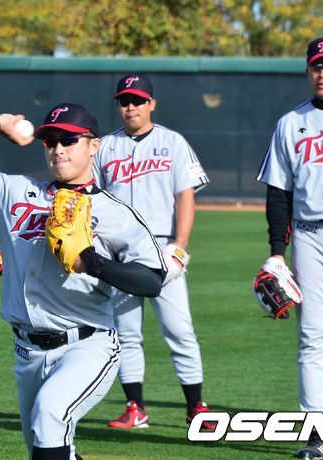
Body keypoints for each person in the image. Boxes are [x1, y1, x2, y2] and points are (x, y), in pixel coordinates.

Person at [0, 102, 166, 459]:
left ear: (94, 145)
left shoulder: (114, 213)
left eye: (69, 140)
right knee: (44, 447)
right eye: (50, 141)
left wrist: (92, 262)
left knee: (49, 415)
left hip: (86, 344)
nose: (58, 149)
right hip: (26, 351)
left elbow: (152, 280)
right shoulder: (14, 191)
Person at [257, 36, 323, 459]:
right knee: (312, 338)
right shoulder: (290, 124)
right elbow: (278, 193)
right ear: (308, 71)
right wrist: (276, 251)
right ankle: (318, 434)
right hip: (309, 238)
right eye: (317, 66)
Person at [93, 74, 214, 430]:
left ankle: (196, 407)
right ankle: (135, 407)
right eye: (124, 101)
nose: (131, 107)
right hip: (119, 251)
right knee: (126, 334)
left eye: (138, 100)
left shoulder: (172, 142)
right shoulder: (105, 147)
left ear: (151, 104)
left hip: (162, 248)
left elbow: (185, 196)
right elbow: (92, 199)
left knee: (179, 330)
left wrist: (180, 246)